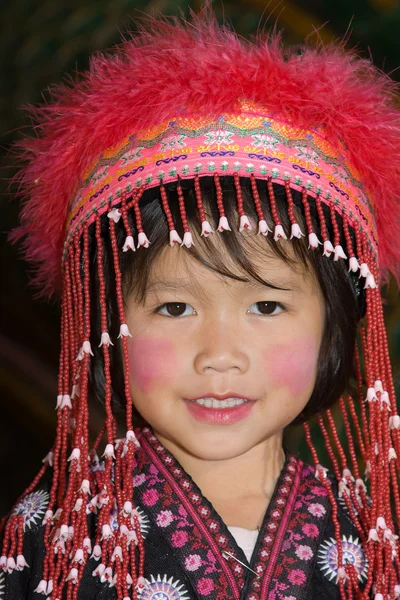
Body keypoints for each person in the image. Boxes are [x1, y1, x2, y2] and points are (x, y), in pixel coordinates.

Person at [1, 9, 400, 600]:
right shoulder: (52, 534)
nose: (219, 356)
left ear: (334, 325)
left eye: (266, 307)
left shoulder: (371, 543)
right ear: (109, 323)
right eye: (174, 309)